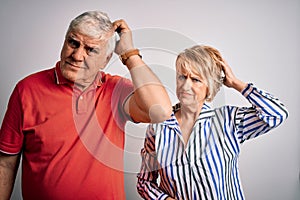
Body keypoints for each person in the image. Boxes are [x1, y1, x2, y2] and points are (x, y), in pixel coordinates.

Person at [0, 10, 172, 199]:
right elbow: (6, 162)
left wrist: (129, 54)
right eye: (73, 43)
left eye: (90, 50)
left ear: (106, 60)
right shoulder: (27, 89)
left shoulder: (115, 90)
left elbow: (161, 112)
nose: (77, 55)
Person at [136, 45, 288, 200]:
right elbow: (144, 183)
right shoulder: (158, 128)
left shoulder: (229, 121)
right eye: (182, 77)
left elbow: (276, 114)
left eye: (195, 80)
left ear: (210, 86)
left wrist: (235, 83)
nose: (185, 85)